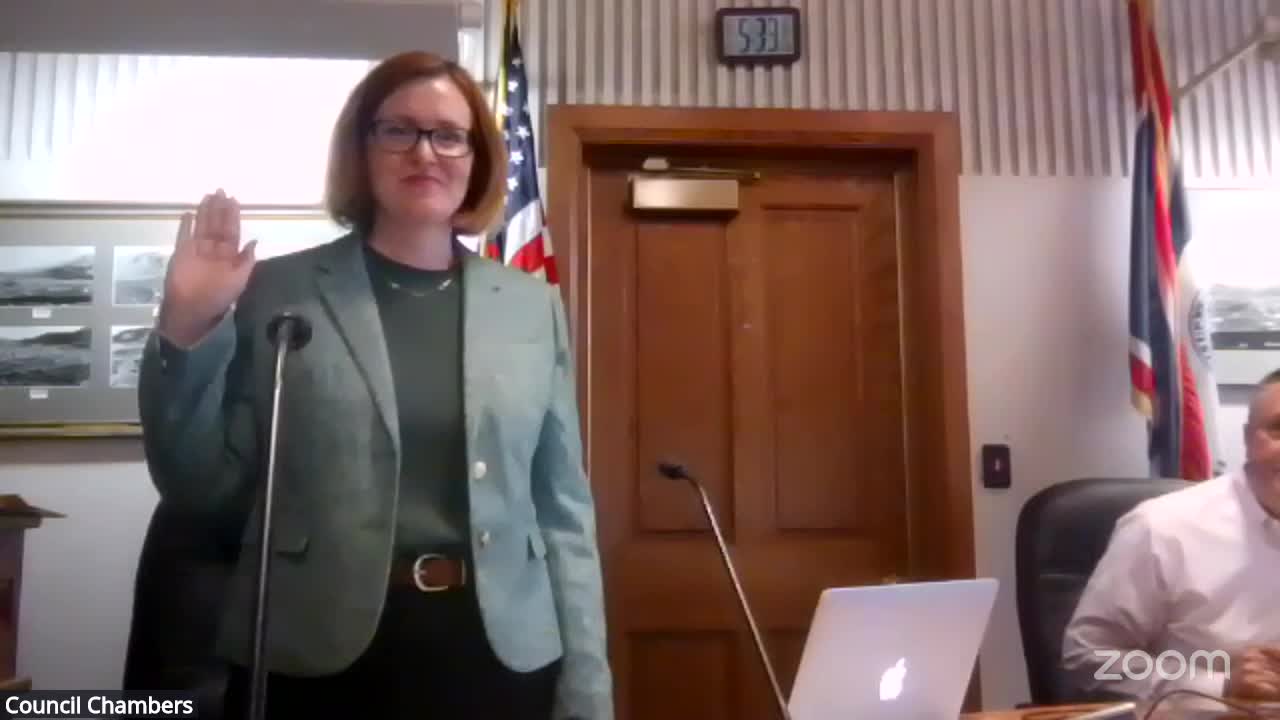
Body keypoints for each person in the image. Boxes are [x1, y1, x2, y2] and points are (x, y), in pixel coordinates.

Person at [137, 50, 612, 719]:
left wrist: (588, 687)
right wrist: (189, 324)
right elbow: (198, 486)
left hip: (499, 655)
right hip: (315, 652)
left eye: (449, 135)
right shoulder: (278, 292)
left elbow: (562, 510)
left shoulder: (531, 307)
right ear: (362, 150)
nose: (425, 152)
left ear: (476, 157)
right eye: (399, 130)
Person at [1060, 369, 1280, 704]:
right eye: (1278, 428)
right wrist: (1219, 684)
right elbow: (1088, 659)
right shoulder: (1162, 527)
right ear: (1248, 439)